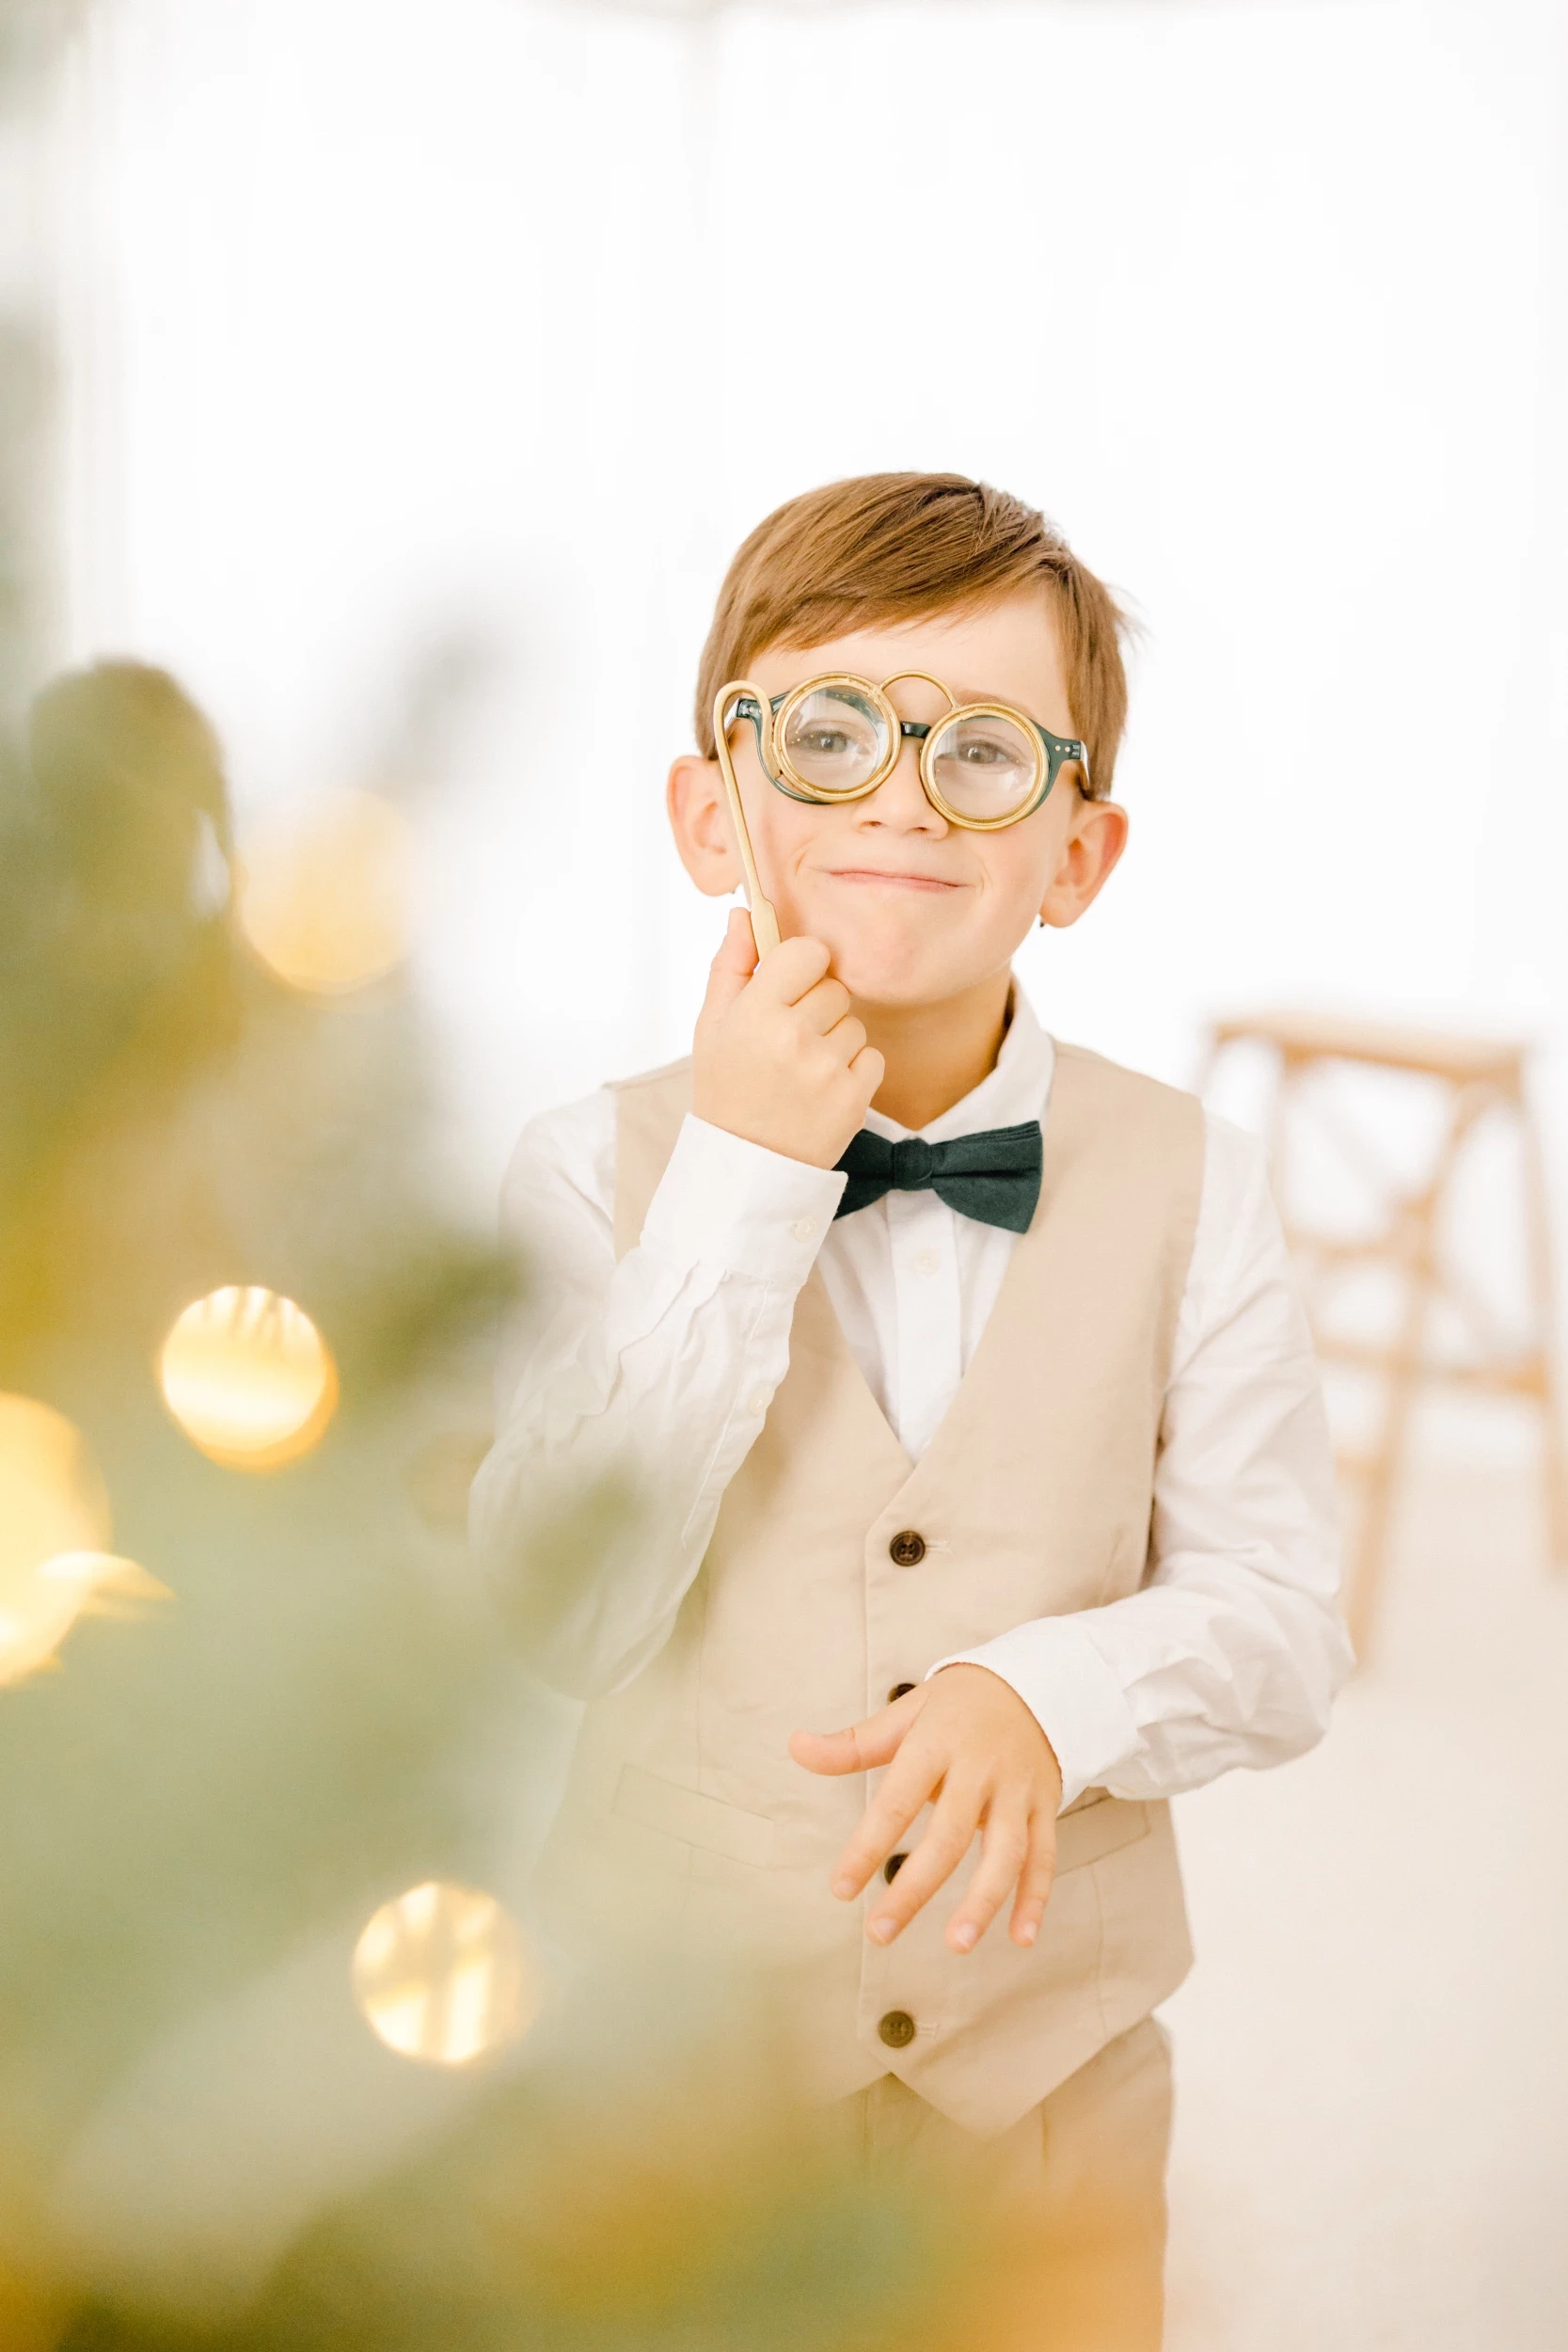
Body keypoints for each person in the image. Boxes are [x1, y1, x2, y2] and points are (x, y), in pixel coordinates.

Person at [471, 472, 1352, 2349]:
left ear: (1078, 852)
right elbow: (556, 1613)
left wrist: (1052, 1690)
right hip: (664, 2071)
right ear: (713, 810)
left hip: (1044, 2097)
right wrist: (736, 1179)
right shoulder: (579, 1165)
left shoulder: (1193, 1176)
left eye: (977, 751)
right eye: (828, 729)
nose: (894, 793)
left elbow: (1282, 1625)